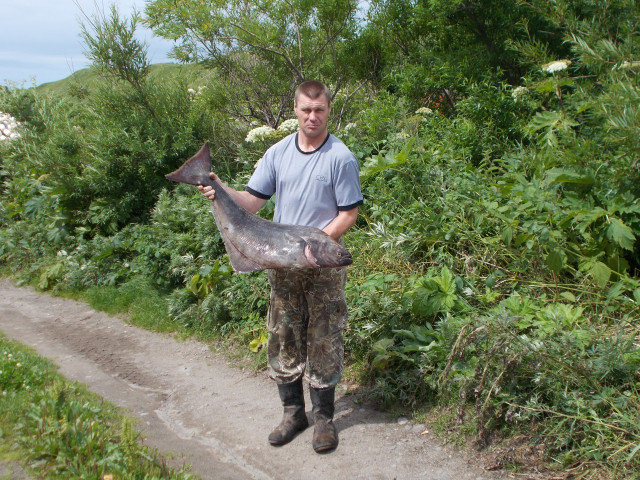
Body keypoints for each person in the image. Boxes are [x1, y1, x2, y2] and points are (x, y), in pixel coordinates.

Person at [198, 80, 363, 453]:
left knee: (324, 337)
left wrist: (318, 246)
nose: (312, 116)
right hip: (282, 264)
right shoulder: (276, 154)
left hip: (323, 264)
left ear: (328, 111)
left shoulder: (341, 157)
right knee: (283, 335)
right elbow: (250, 204)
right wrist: (217, 187)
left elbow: (348, 212)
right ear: (295, 110)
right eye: (306, 109)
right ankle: (293, 414)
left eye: (319, 110)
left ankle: (323, 419)